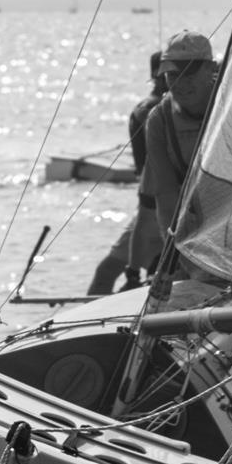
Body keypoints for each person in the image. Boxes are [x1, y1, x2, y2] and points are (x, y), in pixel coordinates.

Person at [86, 51, 165, 295]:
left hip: (159, 208)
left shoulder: (149, 109)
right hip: (154, 206)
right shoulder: (153, 110)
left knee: (109, 272)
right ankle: (97, 322)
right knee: (110, 272)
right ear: (157, 76)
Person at [139, 28, 217, 244]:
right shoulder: (158, 120)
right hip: (193, 222)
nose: (181, 83)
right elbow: (165, 194)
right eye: (173, 74)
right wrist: (173, 248)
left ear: (211, 68)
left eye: (189, 73)